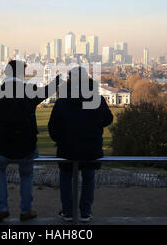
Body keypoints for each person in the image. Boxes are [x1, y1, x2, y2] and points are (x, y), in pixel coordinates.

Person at [0, 60, 62, 223]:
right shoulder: (29, 91)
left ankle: (2, 208)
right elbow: (47, 91)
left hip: (2, 145)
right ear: (22, 74)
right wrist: (57, 80)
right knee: (26, 175)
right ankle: (25, 211)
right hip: (26, 145)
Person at [48, 66, 113, 222]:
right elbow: (108, 119)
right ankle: (85, 212)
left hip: (67, 148)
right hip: (91, 148)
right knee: (88, 178)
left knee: (65, 178)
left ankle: (68, 212)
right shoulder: (97, 99)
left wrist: (60, 140)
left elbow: (52, 127)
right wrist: (96, 127)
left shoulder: (62, 101)